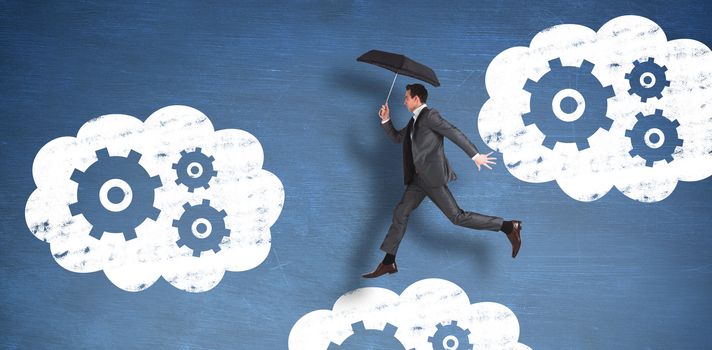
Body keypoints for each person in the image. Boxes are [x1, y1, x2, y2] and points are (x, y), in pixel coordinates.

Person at [362, 83, 523, 278]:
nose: (404, 101)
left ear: (416, 99)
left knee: (457, 217)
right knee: (400, 212)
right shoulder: (414, 121)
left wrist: (475, 155)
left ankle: (508, 226)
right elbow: (397, 138)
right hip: (417, 181)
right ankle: (389, 262)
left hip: (432, 179)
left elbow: (453, 132)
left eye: (406, 97)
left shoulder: (430, 116)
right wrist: (386, 119)